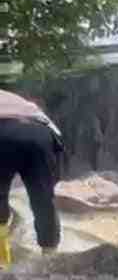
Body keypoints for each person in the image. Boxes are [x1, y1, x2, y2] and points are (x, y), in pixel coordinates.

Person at [0, 90, 64, 268]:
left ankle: (2, 261)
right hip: (40, 137)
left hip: (2, 137)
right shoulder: (21, 102)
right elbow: (57, 138)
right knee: (43, 199)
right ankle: (50, 257)